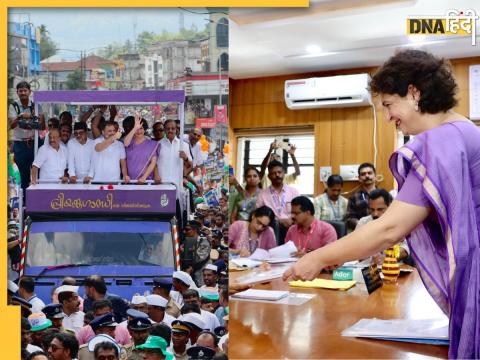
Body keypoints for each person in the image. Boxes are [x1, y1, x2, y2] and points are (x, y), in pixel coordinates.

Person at [283, 49, 480, 359]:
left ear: (414, 93)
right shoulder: (465, 130)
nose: (389, 117)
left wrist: (317, 258)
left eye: (389, 105)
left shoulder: (441, 142)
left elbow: (389, 228)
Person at [8, 81, 45, 191]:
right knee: (23, 175)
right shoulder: (13, 105)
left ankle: (38, 198)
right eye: (21, 91)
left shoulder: (36, 105)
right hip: (20, 144)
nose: (23, 93)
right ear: (17, 92)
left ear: (30, 92)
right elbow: (12, 125)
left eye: (25, 90)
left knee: (38, 173)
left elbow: (42, 126)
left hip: (35, 142)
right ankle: (24, 202)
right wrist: (21, 116)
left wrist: (36, 117)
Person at [355, 188, 410, 264]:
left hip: (393, 268)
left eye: (380, 209)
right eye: (372, 209)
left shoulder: (399, 223)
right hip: (367, 269)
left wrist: (388, 257)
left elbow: (406, 248)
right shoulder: (363, 223)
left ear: (389, 206)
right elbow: (356, 249)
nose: (375, 214)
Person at [256, 160, 300, 244]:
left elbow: (300, 211)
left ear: (284, 173)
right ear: (269, 176)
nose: (277, 175)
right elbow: (259, 215)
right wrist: (279, 221)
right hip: (271, 229)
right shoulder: (262, 195)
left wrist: (292, 219)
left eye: (279, 172)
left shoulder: (294, 192)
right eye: (273, 173)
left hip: (292, 227)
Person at [155, 119, 192, 190]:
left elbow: (190, 165)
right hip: (162, 184)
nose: (170, 130)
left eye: (173, 128)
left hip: (177, 184)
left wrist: (186, 158)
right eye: (168, 128)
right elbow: (153, 163)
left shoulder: (183, 145)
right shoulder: (158, 144)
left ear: (176, 130)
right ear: (164, 130)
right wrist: (156, 175)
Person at [124, 115, 159, 183]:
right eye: (137, 129)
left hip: (146, 180)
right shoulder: (129, 142)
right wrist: (135, 127)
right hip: (130, 181)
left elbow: (153, 162)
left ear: (145, 129)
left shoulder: (152, 144)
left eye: (141, 128)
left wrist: (144, 177)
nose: (139, 131)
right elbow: (125, 143)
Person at [345, 163, 377, 230]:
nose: (367, 176)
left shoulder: (385, 195)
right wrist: (362, 225)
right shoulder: (354, 197)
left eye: (369, 173)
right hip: (361, 233)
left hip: (381, 232)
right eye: (363, 174)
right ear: (359, 178)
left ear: (375, 176)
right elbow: (349, 218)